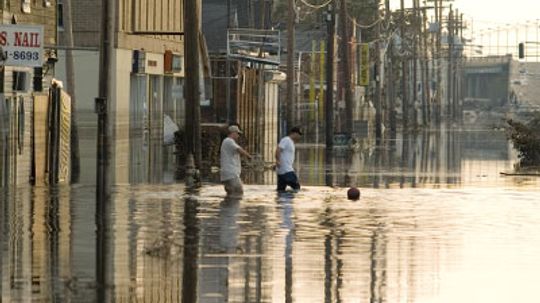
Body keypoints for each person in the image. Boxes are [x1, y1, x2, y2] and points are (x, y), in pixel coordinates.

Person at [220, 125, 252, 196]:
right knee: (239, 192)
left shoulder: (227, 142)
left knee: (231, 194)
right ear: (233, 133)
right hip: (231, 174)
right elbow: (239, 149)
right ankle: (233, 207)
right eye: (238, 133)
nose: (238, 136)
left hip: (228, 174)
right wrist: (249, 156)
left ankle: (228, 206)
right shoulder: (229, 141)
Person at [275, 127, 302, 192]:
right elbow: (278, 150)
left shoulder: (291, 142)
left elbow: (287, 156)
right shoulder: (286, 140)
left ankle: (282, 201)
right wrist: (278, 160)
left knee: (280, 190)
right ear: (294, 133)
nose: (299, 136)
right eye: (299, 134)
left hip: (283, 170)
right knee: (297, 187)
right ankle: (287, 200)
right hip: (286, 170)